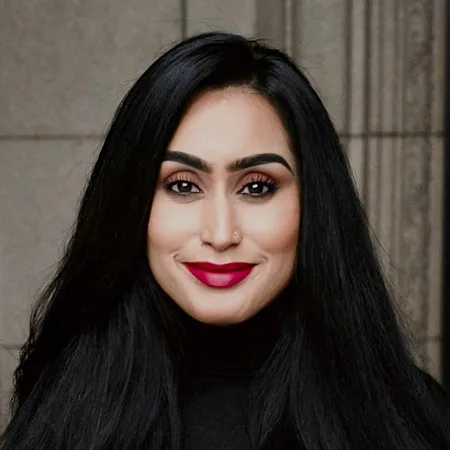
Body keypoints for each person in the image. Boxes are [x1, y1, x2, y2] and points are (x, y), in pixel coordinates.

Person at [1, 31, 449, 450]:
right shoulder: (63, 412)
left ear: (315, 202)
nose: (219, 234)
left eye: (257, 187)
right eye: (182, 185)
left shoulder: (409, 420)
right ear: (130, 203)